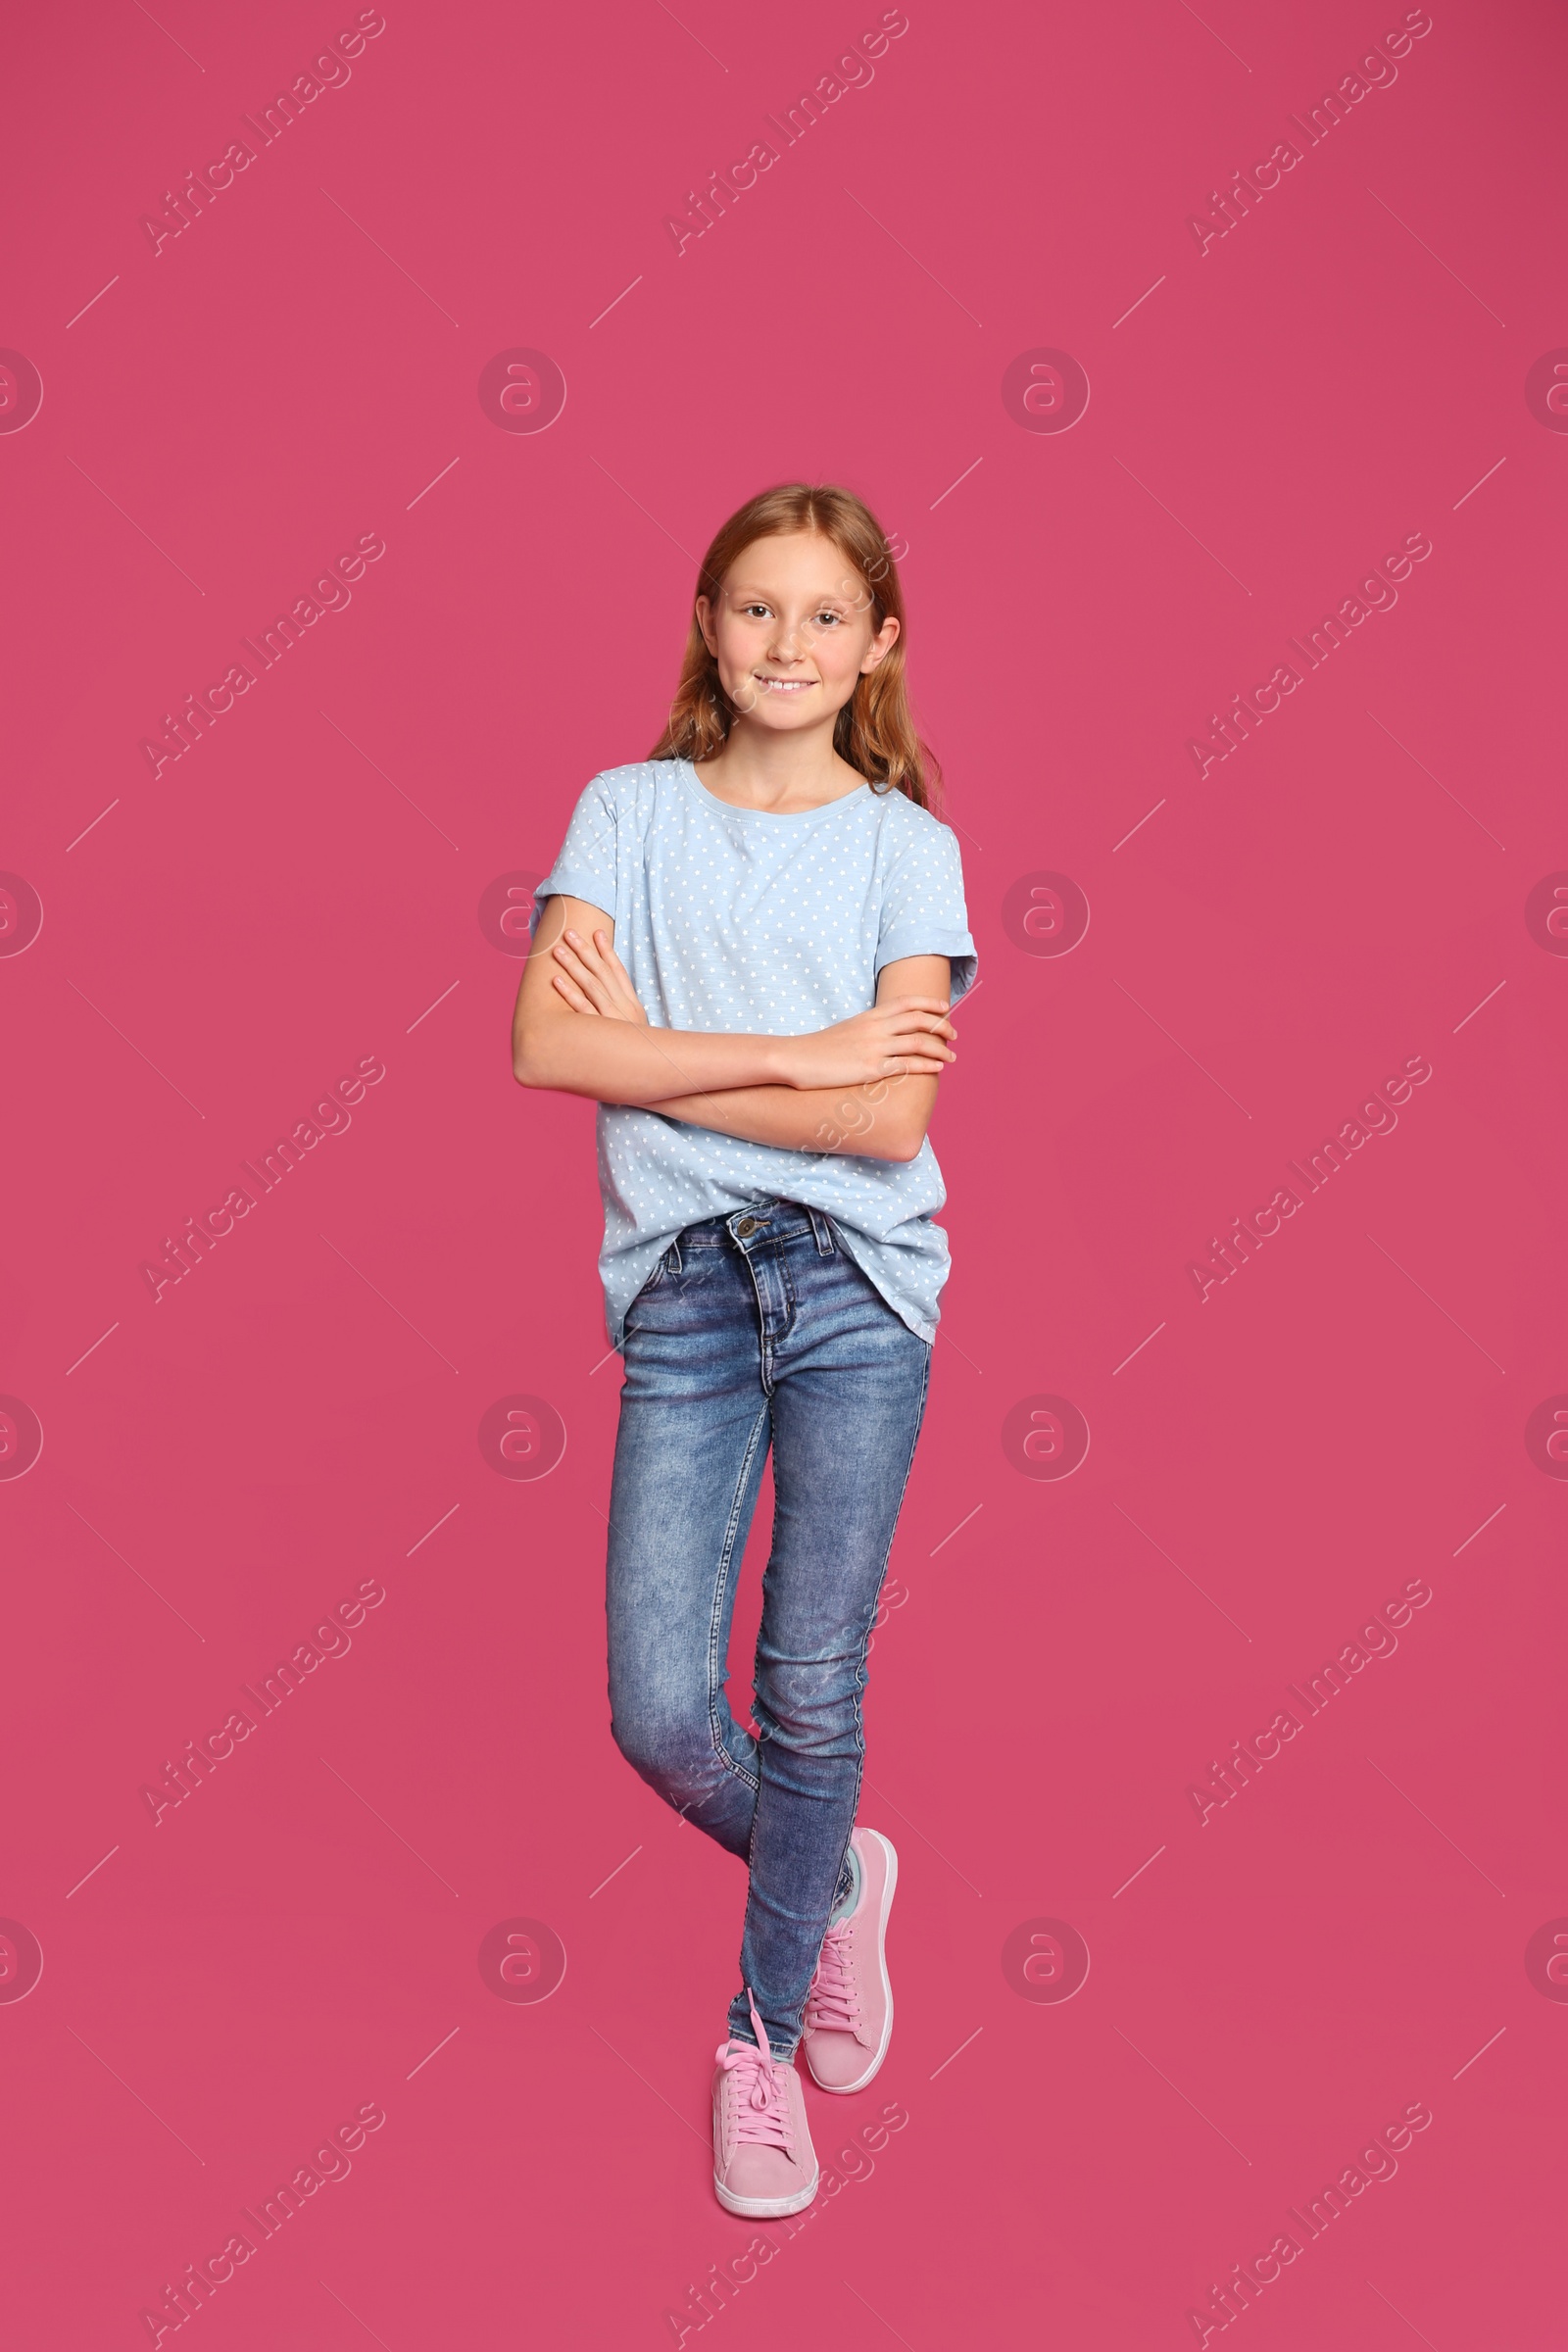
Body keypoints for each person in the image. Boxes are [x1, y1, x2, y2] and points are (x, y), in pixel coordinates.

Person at [512, 482, 976, 2217]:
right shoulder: (624, 813)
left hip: (861, 1286)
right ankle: (829, 1869)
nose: (789, 644)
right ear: (711, 626)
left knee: (809, 1680)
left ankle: (761, 2038)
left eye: (826, 617)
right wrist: (802, 1055)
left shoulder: (904, 848)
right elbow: (546, 1055)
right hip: (688, 1287)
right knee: (655, 1706)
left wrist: (682, 1060)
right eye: (757, 610)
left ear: (878, 648)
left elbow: (893, 1114)